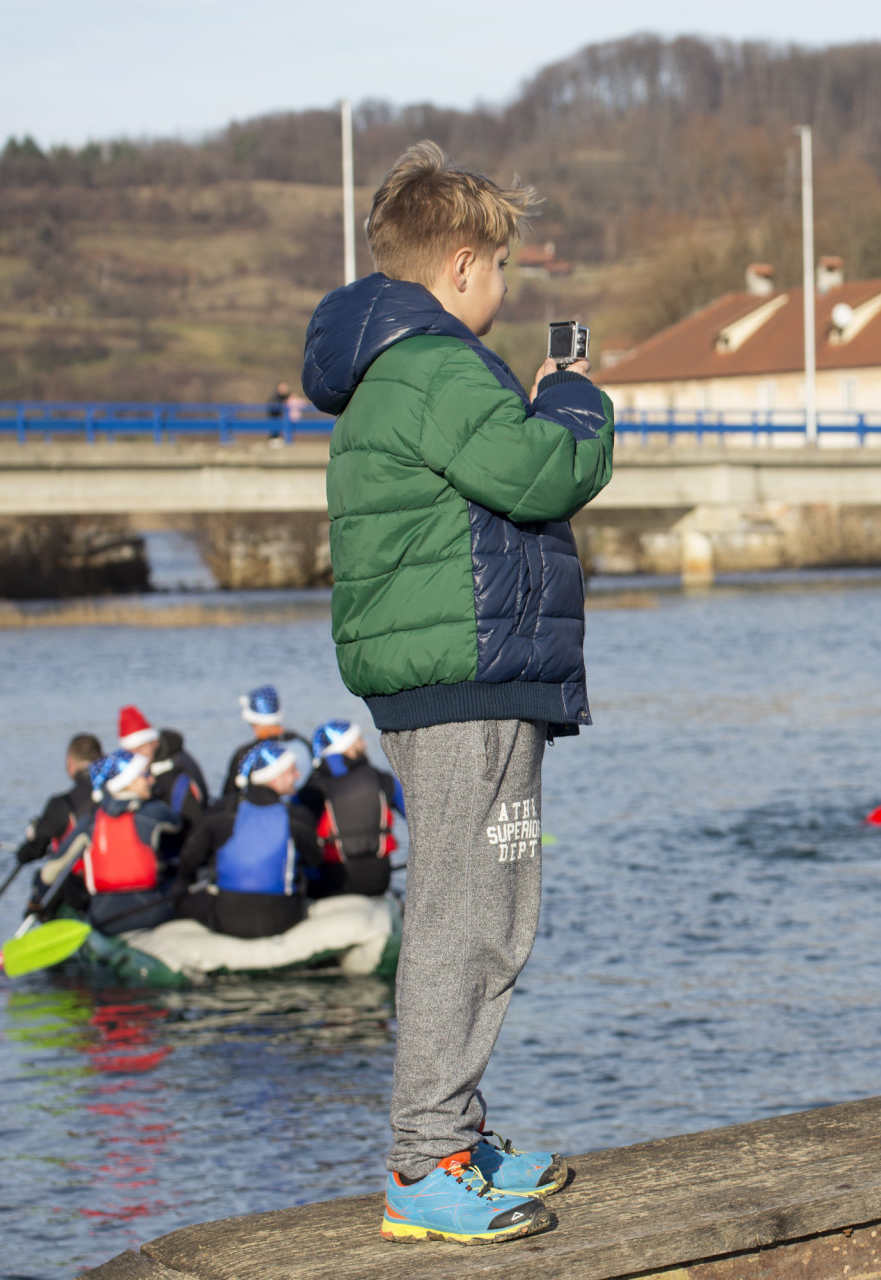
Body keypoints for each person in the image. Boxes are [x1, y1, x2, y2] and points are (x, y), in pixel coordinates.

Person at [301, 140, 610, 1242]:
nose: (507, 285)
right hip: (463, 678)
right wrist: (574, 401)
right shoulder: (434, 367)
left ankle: (454, 1136)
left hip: (458, 674)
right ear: (465, 264)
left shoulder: (403, 369)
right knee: (468, 917)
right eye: (504, 266)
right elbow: (544, 472)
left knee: (487, 909)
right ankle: (422, 1160)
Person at [174, 740, 321, 939]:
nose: (298, 775)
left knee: (181, 896)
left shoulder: (221, 811)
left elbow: (189, 860)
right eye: (292, 771)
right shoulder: (297, 816)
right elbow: (314, 860)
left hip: (226, 918)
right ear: (274, 778)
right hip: (281, 919)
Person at [68, 750, 180, 933]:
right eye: (146, 774)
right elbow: (178, 825)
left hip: (102, 915)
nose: (152, 780)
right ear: (130, 781)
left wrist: (37, 901)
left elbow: (52, 869)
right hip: (150, 910)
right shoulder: (155, 811)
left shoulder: (88, 821)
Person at [297, 720, 404, 898]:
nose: (365, 743)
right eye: (359, 740)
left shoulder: (310, 791)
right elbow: (419, 820)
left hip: (328, 885)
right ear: (348, 747)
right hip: (378, 880)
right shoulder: (383, 780)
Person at [13, 733, 103, 868]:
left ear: (70, 763)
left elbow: (34, 850)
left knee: (43, 877)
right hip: (120, 870)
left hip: (80, 877)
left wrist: (22, 852)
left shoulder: (61, 805)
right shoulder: (119, 794)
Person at [222, 685, 308, 799]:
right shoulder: (303, 744)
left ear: (252, 720)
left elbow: (229, 797)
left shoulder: (247, 754)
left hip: (265, 808)